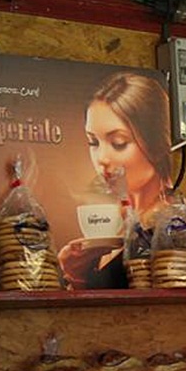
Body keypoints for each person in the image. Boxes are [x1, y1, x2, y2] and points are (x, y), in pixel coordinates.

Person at [58, 71, 174, 289]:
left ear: (157, 145)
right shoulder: (118, 226)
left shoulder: (169, 231)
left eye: (119, 143)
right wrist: (75, 273)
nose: (102, 159)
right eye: (93, 142)